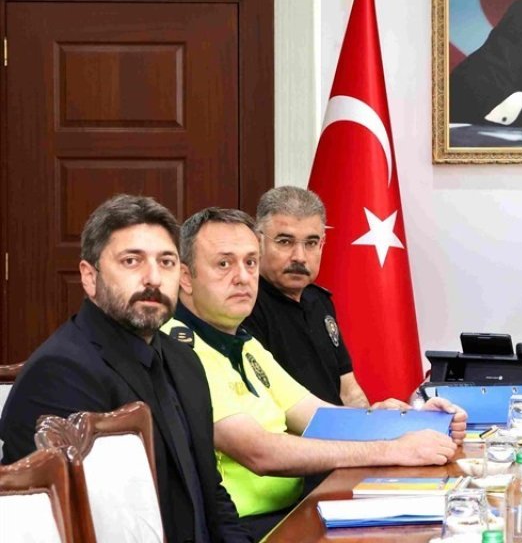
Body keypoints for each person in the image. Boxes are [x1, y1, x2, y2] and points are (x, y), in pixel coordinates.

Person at [165, 207, 468, 539]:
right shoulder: (179, 349)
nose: (242, 276)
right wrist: (394, 449)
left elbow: (320, 417)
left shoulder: (243, 343)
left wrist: (415, 421)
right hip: (240, 529)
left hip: (293, 512)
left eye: (250, 262)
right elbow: (260, 452)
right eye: (224, 264)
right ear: (185, 277)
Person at [0, 195, 250, 542]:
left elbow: (211, 492)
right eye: (131, 261)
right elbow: (95, 527)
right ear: (89, 277)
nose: (153, 278)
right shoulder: (60, 373)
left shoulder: (184, 358)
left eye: (166, 262)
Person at [240, 186, 368, 407]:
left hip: (334, 425)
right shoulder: (245, 303)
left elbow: (349, 392)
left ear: (322, 244)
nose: (299, 257)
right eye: (285, 241)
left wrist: (374, 416)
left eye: (311, 243)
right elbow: (268, 403)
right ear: (258, 242)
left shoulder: (320, 302)